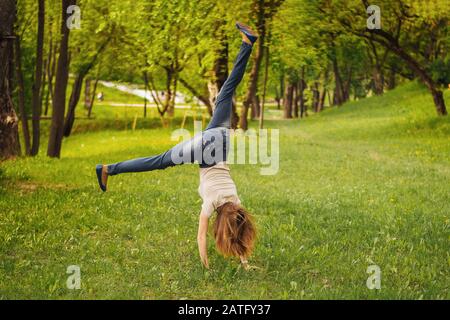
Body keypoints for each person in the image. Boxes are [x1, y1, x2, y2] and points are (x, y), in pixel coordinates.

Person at [96, 22, 258, 270]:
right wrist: (207, 267)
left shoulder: (235, 200)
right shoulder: (212, 203)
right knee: (158, 161)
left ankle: (246, 44)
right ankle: (108, 168)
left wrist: (244, 261)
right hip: (206, 149)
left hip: (221, 138)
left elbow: (238, 225)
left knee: (226, 92)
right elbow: (200, 237)